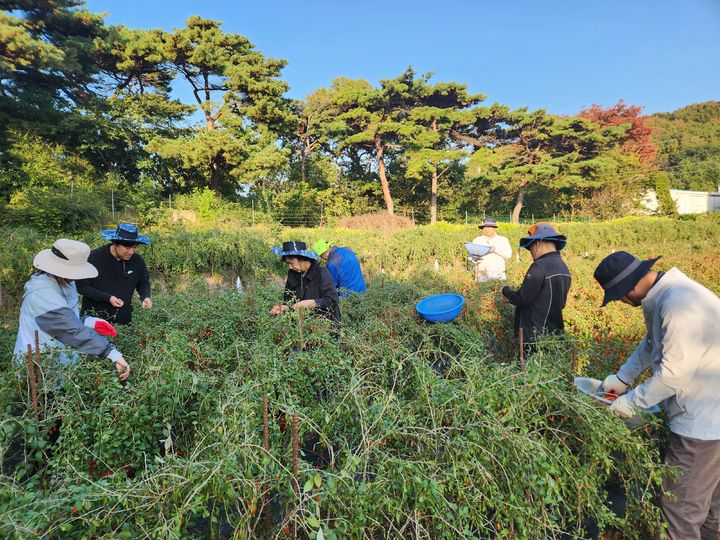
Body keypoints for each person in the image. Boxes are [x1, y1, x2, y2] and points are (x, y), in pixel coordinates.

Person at [595, 251, 720, 540]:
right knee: (711, 507)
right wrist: (622, 378)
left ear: (629, 289)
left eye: (619, 297)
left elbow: (673, 375)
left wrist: (629, 403)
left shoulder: (678, 305)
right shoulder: (671, 293)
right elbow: (652, 342)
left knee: (680, 511)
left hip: (703, 426)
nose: (623, 303)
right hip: (712, 414)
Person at [14, 239, 130, 381]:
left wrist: (89, 322)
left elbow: (67, 315)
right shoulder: (42, 293)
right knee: (46, 397)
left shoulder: (66, 282)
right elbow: (69, 328)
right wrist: (112, 353)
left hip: (60, 357)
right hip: (39, 363)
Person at [501, 222, 571, 353]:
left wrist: (506, 291)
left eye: (530, 247)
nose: (531, 252)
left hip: (535, 335)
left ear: (537, 243)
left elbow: (522, 299)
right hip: (554, 334)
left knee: (529, 370)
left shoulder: (539, 266)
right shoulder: (563, 267)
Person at [77, 223, 152, 325]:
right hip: (95, 320)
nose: (131, 252)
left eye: (134, 247)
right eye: (127, 247)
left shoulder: (137, 261)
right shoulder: (94, 258)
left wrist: (145, 296)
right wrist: (108, 298)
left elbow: (143, 282)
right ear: (115, 243)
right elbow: (82, 287)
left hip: (124, 322)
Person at [269, 241, 340, 323]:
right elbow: (290, 300)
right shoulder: (293, 273)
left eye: (291, 263)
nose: (290, 267)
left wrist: (311, 303)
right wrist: (285, 308)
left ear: (302, 259)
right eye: (288, 263)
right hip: (302, 326)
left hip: (324, 325)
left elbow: (332, 300)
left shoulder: (321, 273)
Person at [468, 217, 513, 282]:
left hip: (498, 276)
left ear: (494, 228)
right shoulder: (477, 240)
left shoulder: (502, 240)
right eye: (485, 227)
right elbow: (471, 258)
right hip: (481, 277)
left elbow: (508, 255)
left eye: (489, 227)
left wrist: (495, 250)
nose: (486, 229)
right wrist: (475, 257)